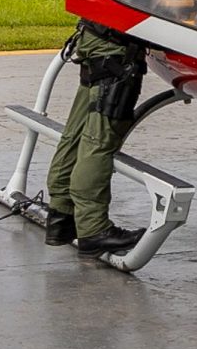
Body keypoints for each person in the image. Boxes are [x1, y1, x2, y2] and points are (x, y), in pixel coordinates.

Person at [42, 21, 149, 257]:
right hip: (114, 45)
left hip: (96, 36)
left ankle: (61, 216)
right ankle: (94, 229)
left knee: (77, 133)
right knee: (98, 141)